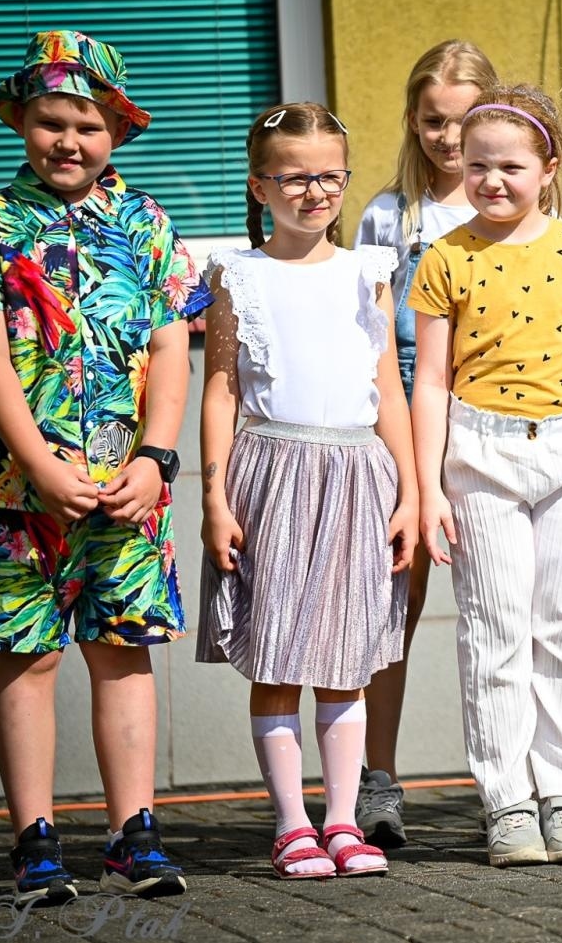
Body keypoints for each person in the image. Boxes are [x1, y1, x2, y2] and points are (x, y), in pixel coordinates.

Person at [0, 30, 205, 903]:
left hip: (130, 486)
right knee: (29, 655)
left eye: (87, 125)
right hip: (26, 490)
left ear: (117, 132)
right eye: (50, 122)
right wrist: (36, 462)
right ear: (23, 120)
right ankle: (34, 839)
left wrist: (158, 458)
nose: (68, 141)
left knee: (124, 651)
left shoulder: (149, 223)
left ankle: (134, 834)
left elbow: (173, 346)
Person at [409, 85, 562, 867]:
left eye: (510, 164)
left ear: (548, 167)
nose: (492, 180)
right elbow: (430, 379)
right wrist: (430, 484)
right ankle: (507, 801)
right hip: (481, 455)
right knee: (496, 630)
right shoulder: (445, 258)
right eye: (477, 165)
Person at [197, 101, 416, 880]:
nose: (315, 191)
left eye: (330, 175)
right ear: (260, 186)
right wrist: (215, 497)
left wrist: (412, 494)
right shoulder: (237, 275)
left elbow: (388, 388)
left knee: (348, 656)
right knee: (280, 656)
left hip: (359, 472)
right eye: (295, 177)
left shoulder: (369, 271)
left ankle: (345, 819)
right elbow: (221, 390)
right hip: (271, 472)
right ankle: (293, 823)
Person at [353, 39, 500, 847]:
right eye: (434, 121)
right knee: (391, 610)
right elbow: (377, 344)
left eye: (465, 120)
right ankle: (378, 781)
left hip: (490, 420)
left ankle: (507, 778)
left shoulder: (509, 206)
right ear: (414, 121)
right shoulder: (390, 215)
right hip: (405, 424)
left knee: (498, 610)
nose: (449, 138)